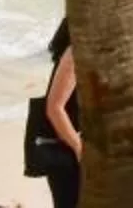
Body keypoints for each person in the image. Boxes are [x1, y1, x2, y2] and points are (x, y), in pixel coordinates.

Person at [32, 20, 81, 208]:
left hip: (68, 147)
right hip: (65, 149)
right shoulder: (76, 53)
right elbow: (54, 108)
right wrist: (79, 148)